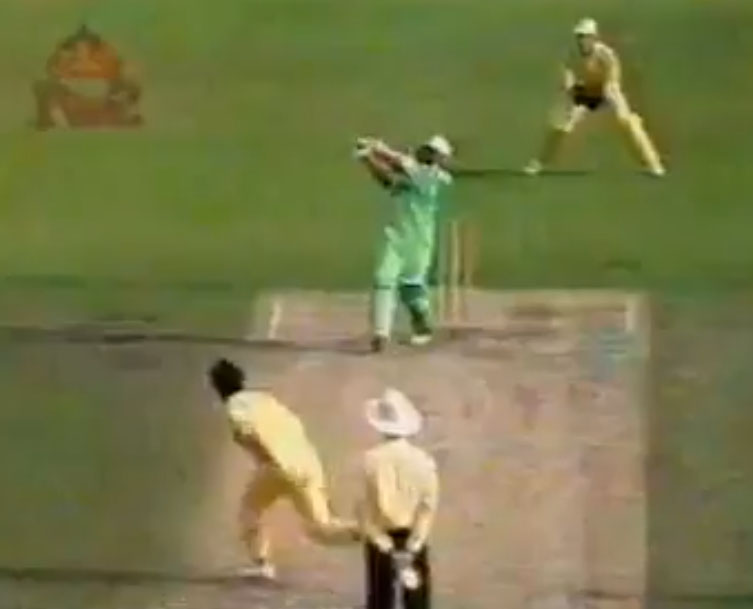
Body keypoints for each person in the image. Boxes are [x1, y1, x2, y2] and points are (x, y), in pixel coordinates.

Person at [207, 358, 359, 579]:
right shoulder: (264, 399)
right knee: (322, 528)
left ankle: (262, 564)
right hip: (306, 461)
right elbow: (294, 423)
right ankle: (373, 531)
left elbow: (250, 433)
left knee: (250, 511)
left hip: (277, 466)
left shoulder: (234, 408)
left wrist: (268, 459)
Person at [523, 18, 666, 177]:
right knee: (559, 126)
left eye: (586, 37)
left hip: (606, 92)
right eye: (580, 37)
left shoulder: (606, 55)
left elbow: (613, 80)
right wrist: (572, 93)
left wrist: (609, 96)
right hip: (582, 92)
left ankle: (654, 164)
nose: (582, 41)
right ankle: (539, 163)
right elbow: (567, 78)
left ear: (594, 38)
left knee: (629, 122)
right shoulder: (571, 55)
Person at [354, 135, 454, 353]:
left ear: (440, 158)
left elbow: (400, 163)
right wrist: (368, 159)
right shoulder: (416, 173)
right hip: (395, 237)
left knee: (411, 288)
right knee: (383, 278)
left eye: (432, 152)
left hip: (419, 243)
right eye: (427, 149)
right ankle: (381, 334)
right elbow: (388, 181)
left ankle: (423, 324)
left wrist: (378, 149)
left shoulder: (437, 179)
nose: (426, 153)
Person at [357, 388, 439, 609]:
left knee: (379, 598)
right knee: (417, 600)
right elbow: (427, 507)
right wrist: (415, 544)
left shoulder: (370, 460)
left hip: (381, 536)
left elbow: (365, 509)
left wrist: (383, 543)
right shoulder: (424, 461)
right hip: (412, 535)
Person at [33, 24, 143, 130]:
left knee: (128, 87)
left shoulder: (105, 60)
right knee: (45, 89)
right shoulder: (66, 61)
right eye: (78, 46)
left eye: (86, 45)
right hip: (74, 98)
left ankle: (131, 117)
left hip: (102, 98)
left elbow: (119, 77)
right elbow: (56, 77)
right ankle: (63, 127)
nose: (82, 49)